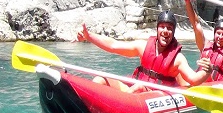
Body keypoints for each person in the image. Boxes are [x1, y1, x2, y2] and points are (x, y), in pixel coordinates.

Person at [76, 10, 212, 91]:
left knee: (139, 87)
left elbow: (194, 80)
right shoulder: (143, 46)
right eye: (162, 27)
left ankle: (117, 104)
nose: (165, 31)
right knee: (100, 80)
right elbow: (113, 45)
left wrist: (207, 72)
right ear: (157, 30)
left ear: (173, 32)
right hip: (135, 88)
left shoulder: (178, 59)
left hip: (155, 94)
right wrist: (89, 36)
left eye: (169, 28)